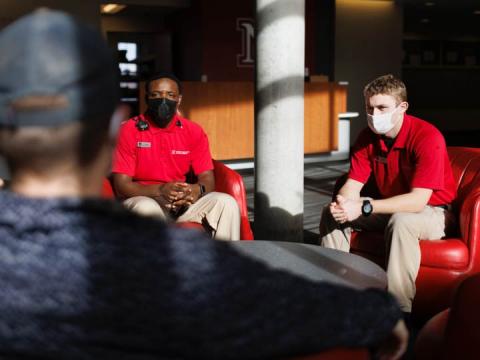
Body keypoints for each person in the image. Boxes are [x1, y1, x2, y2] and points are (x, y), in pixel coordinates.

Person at [0, 10, 407, 359]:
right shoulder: (167, 266)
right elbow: (281, 307)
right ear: (112, 129)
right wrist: (379, 314)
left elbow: (209, 182)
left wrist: (191, 192)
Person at [319, 74, 456, 315]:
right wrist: (344, 202)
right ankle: (334, 293)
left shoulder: (427, 137)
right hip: (391, 206)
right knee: (331, 212)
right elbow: (353, 183)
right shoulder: (367, 137)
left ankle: (398, 311)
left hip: (433, 212)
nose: (374, 115)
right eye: (369, 108)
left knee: (402, 221)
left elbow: (417, 201)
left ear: (402, 107)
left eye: (382, 107)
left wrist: (363, 207)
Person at [112, 73, 240, 241]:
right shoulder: (129, 130)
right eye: (156, 95)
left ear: (179, 99)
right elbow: (121, 185)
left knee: (226, 203)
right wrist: (159, 190)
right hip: (143, 199)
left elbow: (207, 177)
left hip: (181, 204)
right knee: (146, 208)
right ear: (147, 98)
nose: (163, 100)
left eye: (170, 95)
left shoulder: (193, 131)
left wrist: (196, 190)